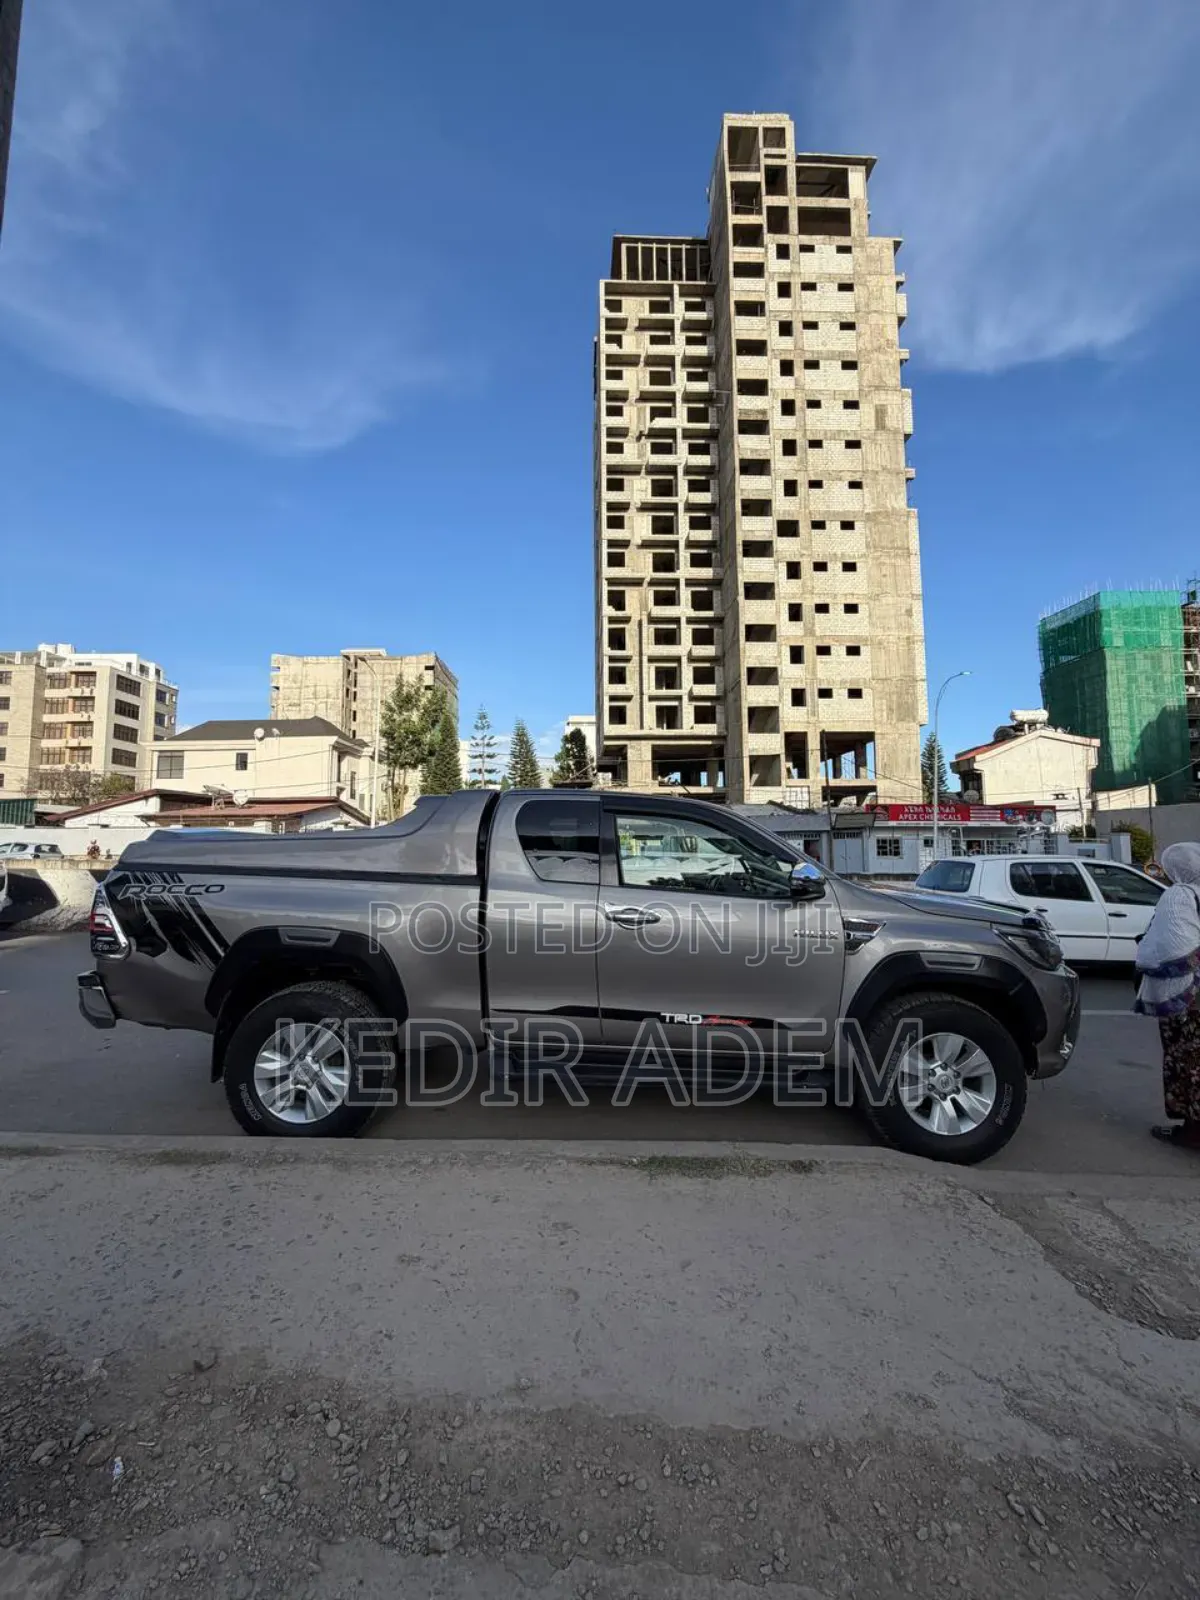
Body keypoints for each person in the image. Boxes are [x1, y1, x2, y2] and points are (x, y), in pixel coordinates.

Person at [1134, 842, 1200, 1148]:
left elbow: (1171, 948)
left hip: (1189, 995)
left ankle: (1192, 1130)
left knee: (1186, 1059)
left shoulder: (1179, 895)